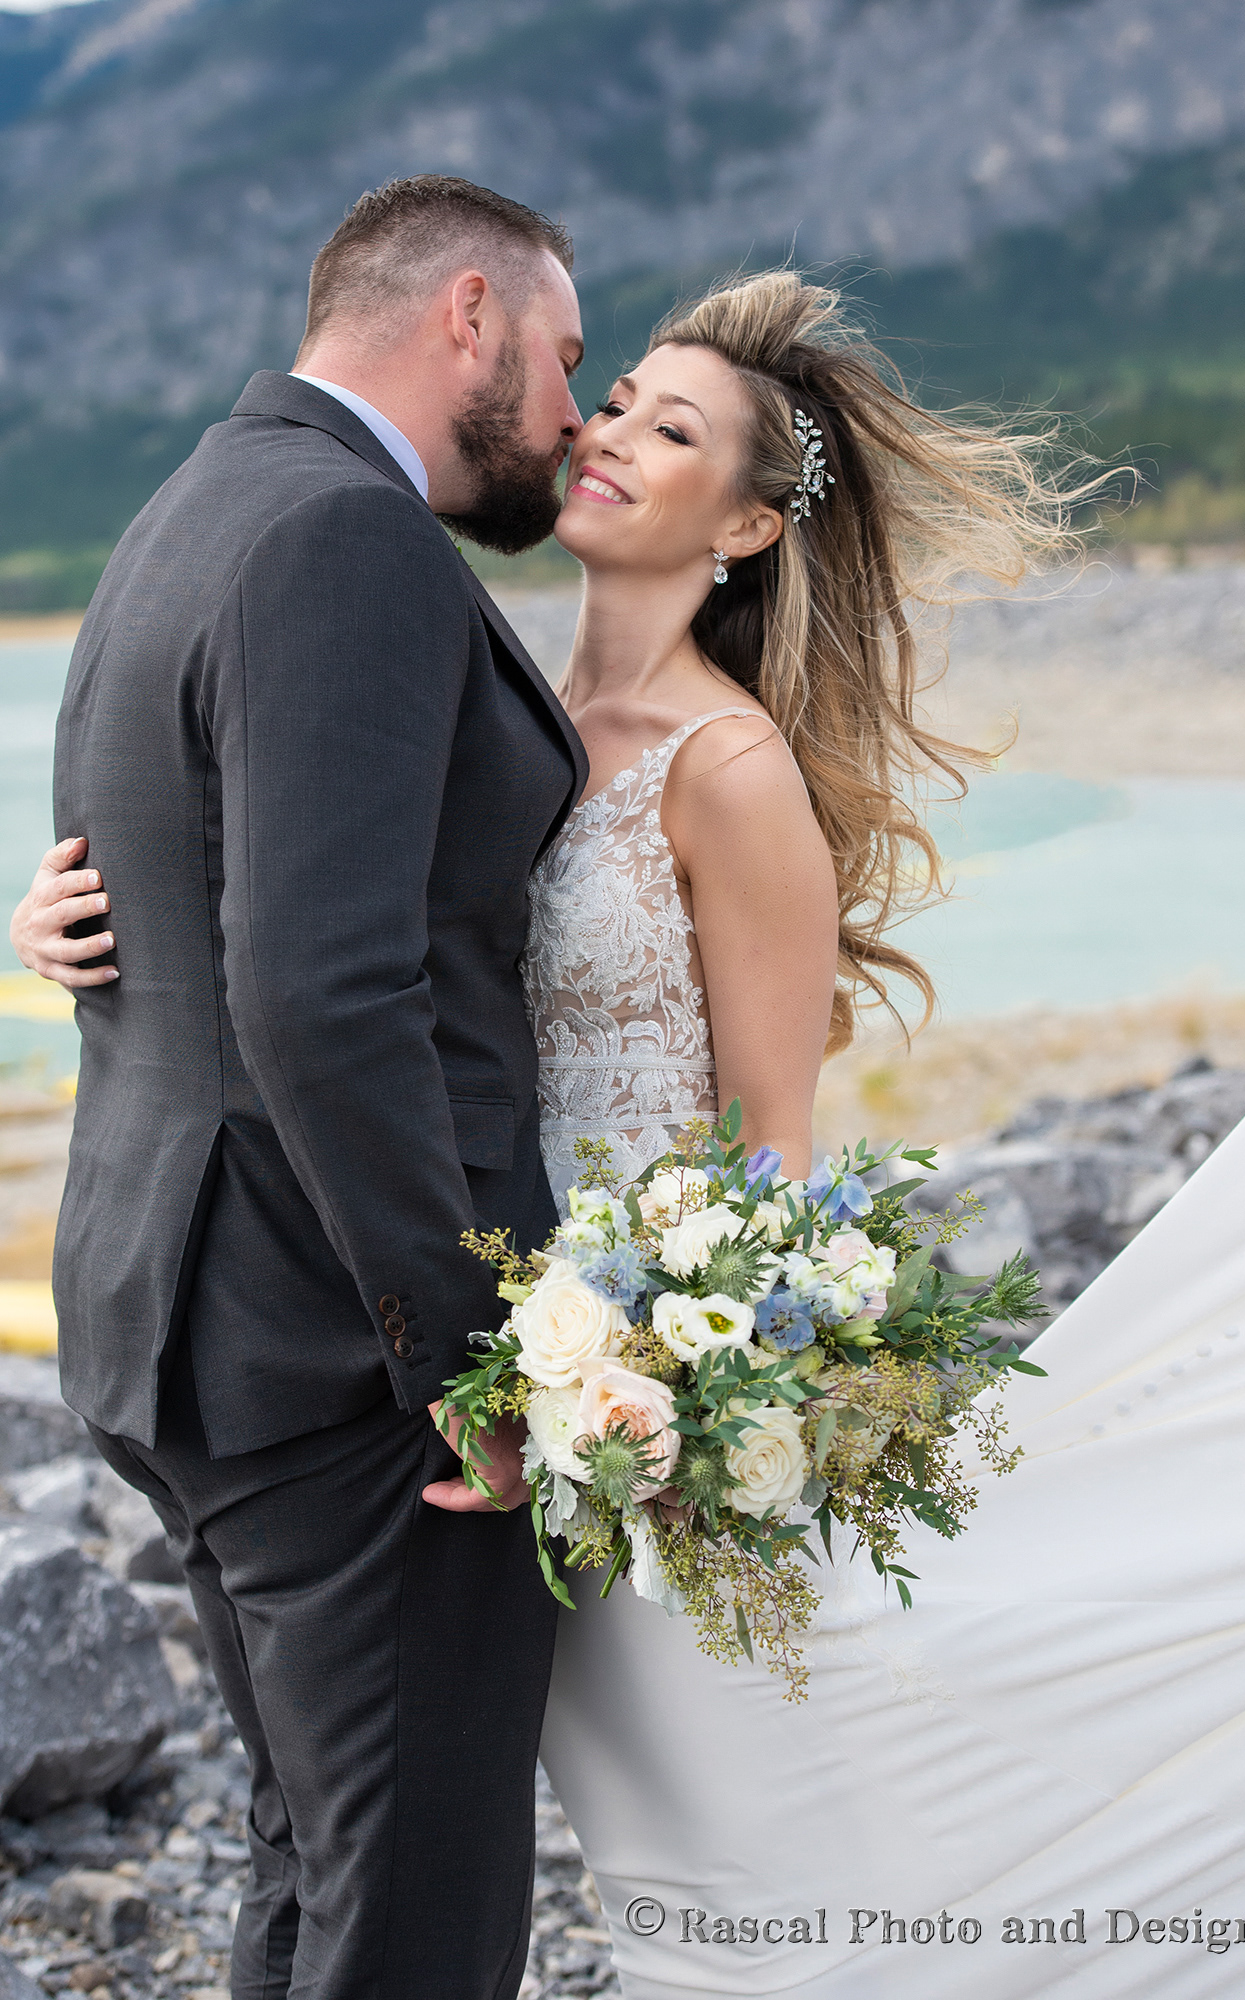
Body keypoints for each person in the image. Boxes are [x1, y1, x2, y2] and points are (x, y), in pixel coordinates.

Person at [21, 270, 1245, 1995]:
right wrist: (74, 927)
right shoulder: (498, 700)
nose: (604, 430)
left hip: (611, 1381)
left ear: (745, 529)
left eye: (670, 428)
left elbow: (771, 1146)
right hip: (471, 1346)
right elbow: (309, 904)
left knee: (702, 1815)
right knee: (385, 1849)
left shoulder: (730, 771)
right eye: (618, 392)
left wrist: (668, 1388)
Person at [11, 175, 593, 2000]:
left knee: (315, 1865)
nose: (576, 418)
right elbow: (326, 994)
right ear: (471, 316)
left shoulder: (189, 508)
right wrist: (467, 1369)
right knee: (411, 1918)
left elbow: (146, 873)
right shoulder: (347, 538)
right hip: (339, 1362)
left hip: (188, 1317)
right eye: (572, 361)